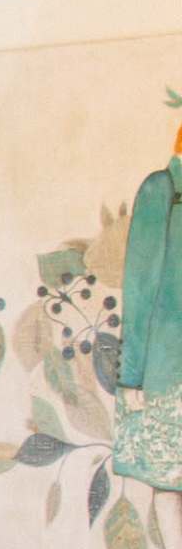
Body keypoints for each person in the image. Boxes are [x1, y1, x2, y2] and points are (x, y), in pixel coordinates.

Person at [121, 111, 182, 499]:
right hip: (166, 375)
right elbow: (139, 289)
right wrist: (131, 377)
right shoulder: (160, 190)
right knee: (167, 487)